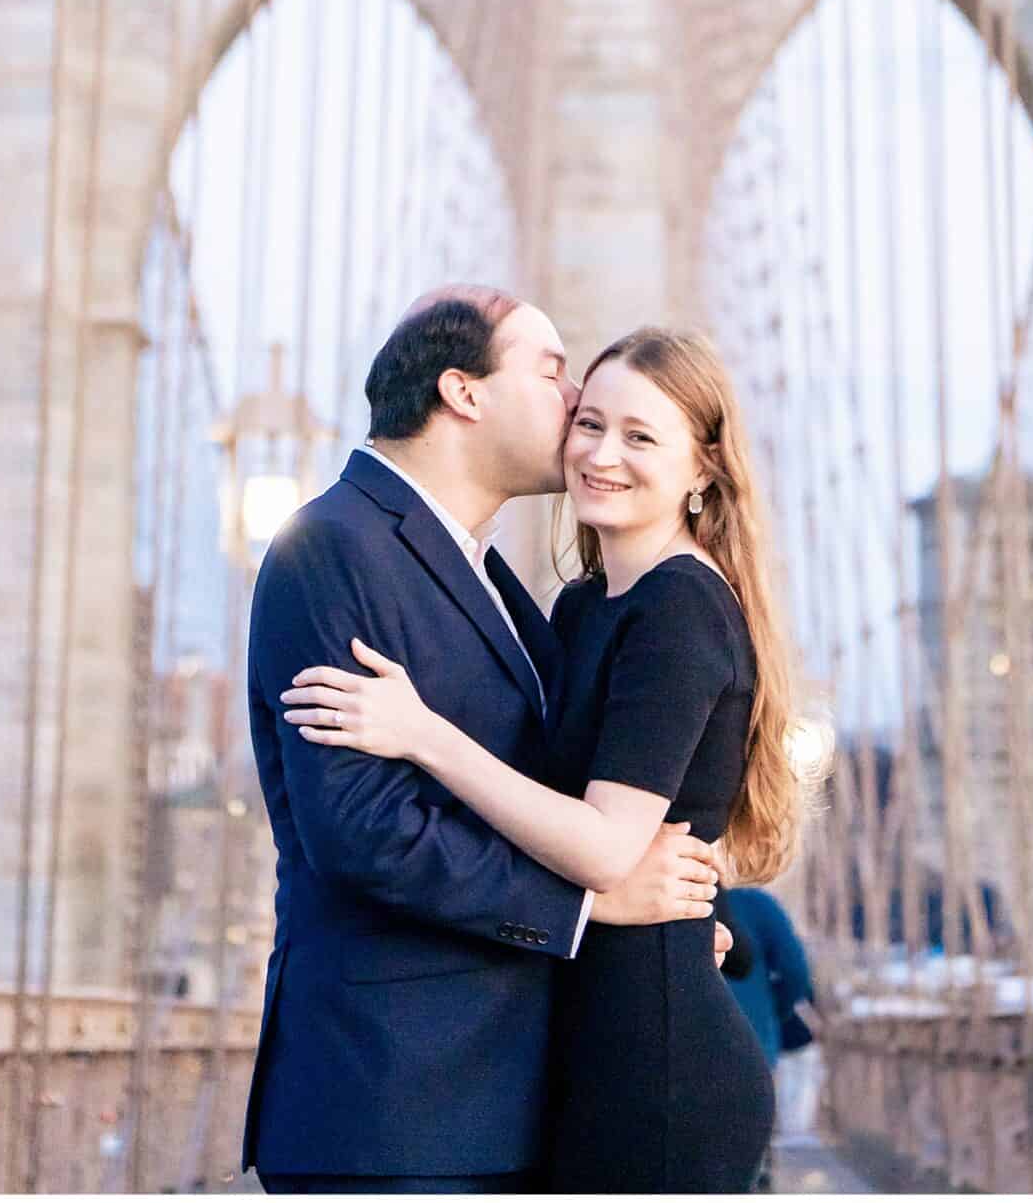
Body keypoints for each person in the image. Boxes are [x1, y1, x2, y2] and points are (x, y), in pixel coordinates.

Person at [285, 324, 798, 1195]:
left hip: (657, 1075)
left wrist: (422, 733)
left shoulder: (680, 607)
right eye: (588, 423)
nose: (601, 454)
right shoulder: (583, 605)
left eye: (641, 437)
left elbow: (601, 846)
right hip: (579, 1057)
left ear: (703, 469)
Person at [723, 887, 822, 1155]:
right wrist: (775, 1011)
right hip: (754, 1038)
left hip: (688, 1040)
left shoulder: (678, 887)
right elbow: (795, 970)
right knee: (752, 1144)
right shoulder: (759, 905)